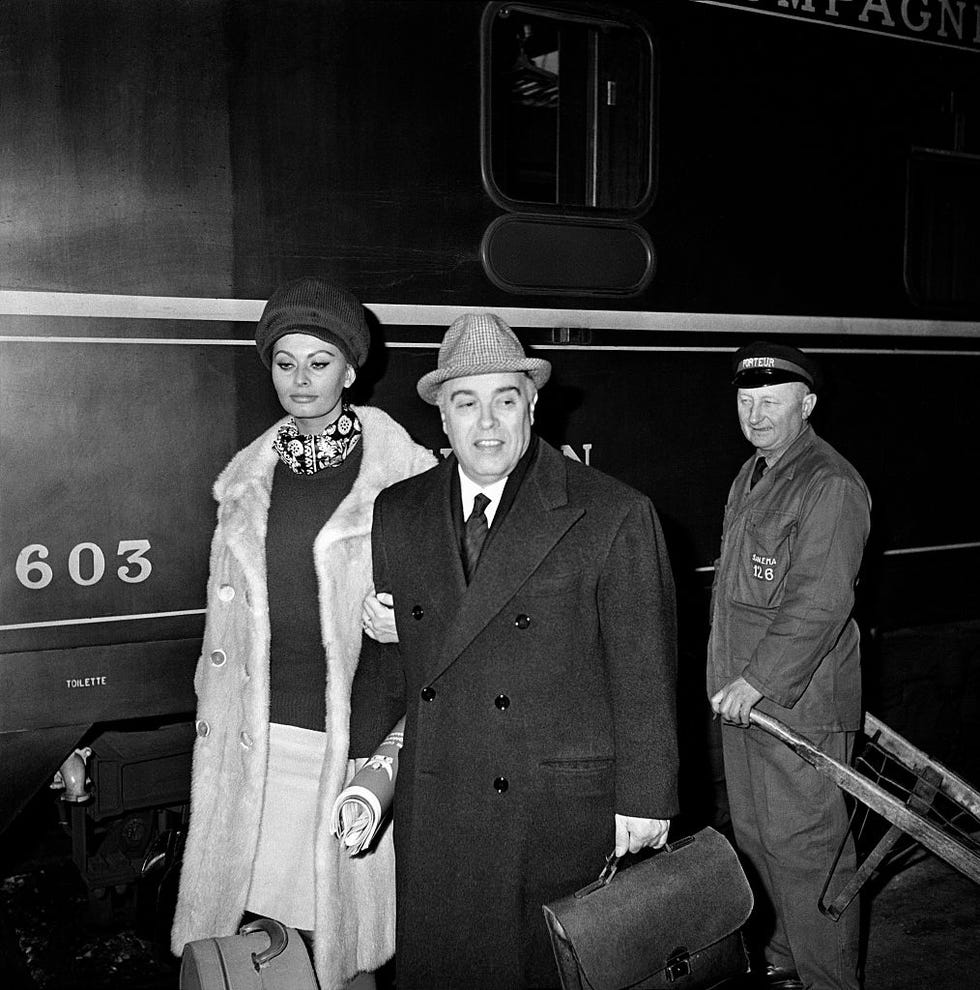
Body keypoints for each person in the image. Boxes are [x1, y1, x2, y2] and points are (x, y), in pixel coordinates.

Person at [356, 312, 680, 989]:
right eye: (465, 403)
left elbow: (644, 671)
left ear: (532, 406)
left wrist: (647, 798)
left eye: (506, 400)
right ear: (440, 419)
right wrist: (368, 770)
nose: (487, 424)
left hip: (553, 809)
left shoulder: (612, 512)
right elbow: (392, 658)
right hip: (438, 801)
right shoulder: (399, 512)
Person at [170, 277, 437, 989]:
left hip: (350, 741)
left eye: (319, 362)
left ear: (351, 370)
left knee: (343, 948)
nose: (301, 379)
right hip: (258, 738)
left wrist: (400, 619)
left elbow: (448, 619)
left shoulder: (407, 477)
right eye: (285, 363)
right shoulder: (244, 482)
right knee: (261, 946)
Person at [708, 341, 871, 990]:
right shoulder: (753, 474)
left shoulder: (828, 483)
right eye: (747, 402)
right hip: (744, 703)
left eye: (771, 403)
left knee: (808, 857)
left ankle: (828, 980)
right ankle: (781, 967)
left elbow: (821, 600)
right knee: (757, 845)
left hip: (794, 707)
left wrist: (760, 680)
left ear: (806, 404)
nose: (756, 414)